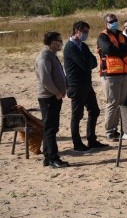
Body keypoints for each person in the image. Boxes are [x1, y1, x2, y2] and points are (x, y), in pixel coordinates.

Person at [63, 21, 107, 152]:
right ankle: (77, 143)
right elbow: (84, 64)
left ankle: (91, 139)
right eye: (84, 32)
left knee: (94, 110)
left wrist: (89, 63)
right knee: (77, 115)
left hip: (87, 84)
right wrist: (88, 63)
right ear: (76, 31)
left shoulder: (83, 46)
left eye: (87, 32)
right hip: (76, 85)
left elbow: (93, 62)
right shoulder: (70, 47)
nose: (86, 34)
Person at [97, 13, 127, 141]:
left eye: (115, 20)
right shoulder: (103, 36)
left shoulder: (120, 35)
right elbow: (108, 49)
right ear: (106, 23)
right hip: (110, 75)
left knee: (120, 103)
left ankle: (115, 130)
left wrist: (120, 48)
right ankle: (109, 131)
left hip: (124, 73)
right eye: (111, 21)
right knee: (112, 103)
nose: (114, 23)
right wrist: (123, 50)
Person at [35, 31, 69, 168]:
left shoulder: (51, 55)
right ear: (54, 42)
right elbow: (45, 79)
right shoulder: (44, 57)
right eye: (59, 41)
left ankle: (48, 156)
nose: (61, 43)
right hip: (49, 97)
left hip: (54, 96)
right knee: (50, 128)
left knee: (51, 127)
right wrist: (57, 92)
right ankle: (53, 158)